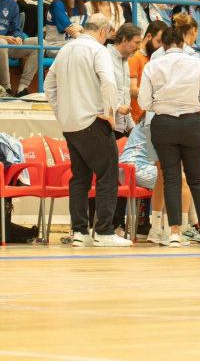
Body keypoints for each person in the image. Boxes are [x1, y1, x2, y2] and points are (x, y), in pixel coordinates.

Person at [43, 13, 133, 248]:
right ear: (103, 31)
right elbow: (109, 82)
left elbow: (48, 85)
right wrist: (111, 114)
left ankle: (79, 232)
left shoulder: (65, 49)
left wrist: (60, 113)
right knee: (108, 175)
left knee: (80, 178)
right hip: (92, 121)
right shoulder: (98, 51)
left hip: (70, 125)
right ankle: (103, 232)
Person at [138, 17, 200, 246]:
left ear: (163, 46)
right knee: (198, 180)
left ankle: (174, 233)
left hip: (164, 124)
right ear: (183, 43)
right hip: (192, 123)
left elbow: (144, 102)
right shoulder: (197, 64)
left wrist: (161, 104)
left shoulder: (153, 66)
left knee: (171, 179)